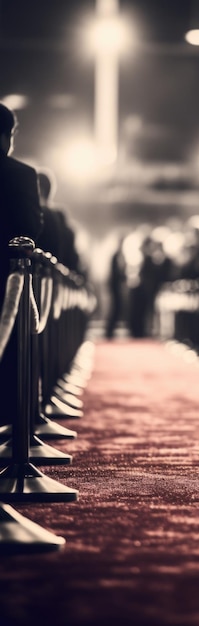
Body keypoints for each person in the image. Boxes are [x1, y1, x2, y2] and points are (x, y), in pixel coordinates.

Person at [0, 102, 43, 425]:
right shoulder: (21, 175)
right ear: (7, 136)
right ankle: (16, 434)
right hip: (6, 278)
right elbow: (29, 228)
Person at [36, 168, 81, 272]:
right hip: (55, 274)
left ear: (40, 189)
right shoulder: (58, 218)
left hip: (41, 273)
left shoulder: (42, 214)